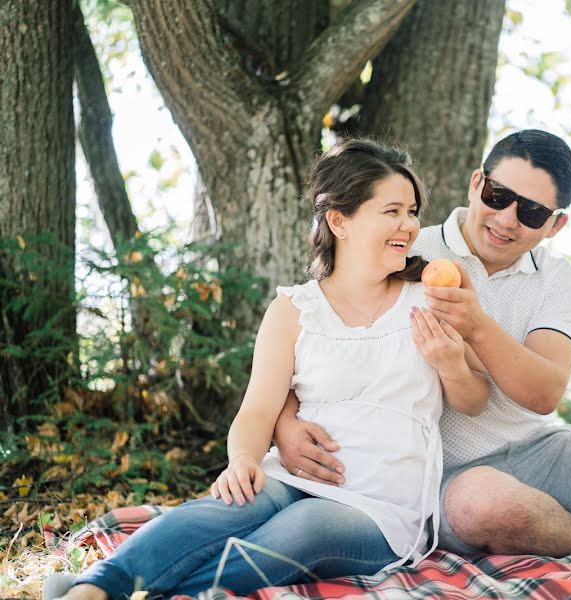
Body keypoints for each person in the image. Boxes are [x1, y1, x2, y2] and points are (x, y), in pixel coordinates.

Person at [48, 139, 490, 600]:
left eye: (412, 211)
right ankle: (95, 588)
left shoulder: (432, 297)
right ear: (340, 221)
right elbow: (258, 409)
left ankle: (141, 592)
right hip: (293, 477)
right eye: (392, 211)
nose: (410, 225)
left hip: (383, 508)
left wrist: (450, 363)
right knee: (223, 510)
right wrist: (242, 461)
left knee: (304, 528)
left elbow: (474, 399)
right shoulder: (295, 309)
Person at [273, 130, 571, 558]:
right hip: (438, 477)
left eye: (532, 212)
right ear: (477, 183)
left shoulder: (558, 280)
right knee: (483, 505)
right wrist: (284, 424)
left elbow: (544, 394)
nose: (507, 219)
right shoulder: (407, 249)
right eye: (498, 195)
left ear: (556, 224)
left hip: (541, 450)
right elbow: (318, 333)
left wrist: (476, 324)